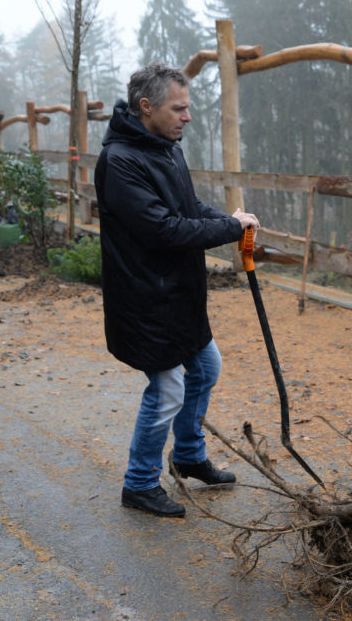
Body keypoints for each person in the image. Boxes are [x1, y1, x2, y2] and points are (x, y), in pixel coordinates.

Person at [95, 62, 259, 518]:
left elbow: (185, 207)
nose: (187, 117)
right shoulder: (121, 161)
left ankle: (188, 456)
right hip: (145, 299)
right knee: (167, 387)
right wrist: (227, 228)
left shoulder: (165, 146)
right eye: (179, 108)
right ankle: (139, 483)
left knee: (206, 366)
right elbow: (163, 230)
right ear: (146, 107)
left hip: (178, 294)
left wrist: (229, 220)